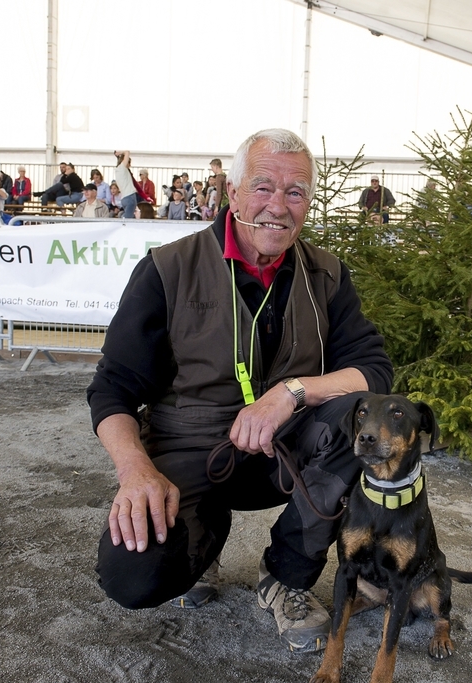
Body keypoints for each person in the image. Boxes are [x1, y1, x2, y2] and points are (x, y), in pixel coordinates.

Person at [88, 128, 393, 654]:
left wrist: (292, 393)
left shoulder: (328, 275)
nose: (278, 206)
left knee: (359, 419)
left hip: (288, 448)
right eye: (263, 187)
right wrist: (135, 472)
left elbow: (374, 371)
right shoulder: (167, 270)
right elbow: (112, 390)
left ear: (308, 202)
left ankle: (285, 575)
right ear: (231, 193)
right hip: (191, 450)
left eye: (295, 192)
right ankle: (199, 539)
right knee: (133, 580)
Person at [112, 151, 139, 220]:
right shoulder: (122, 168)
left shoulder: (117, 171)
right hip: (130, 196)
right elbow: (127, 152)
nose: (129, 165)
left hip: (124, 198)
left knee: (129, 216)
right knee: (127, 220)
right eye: (128, 162)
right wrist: (120, 153)